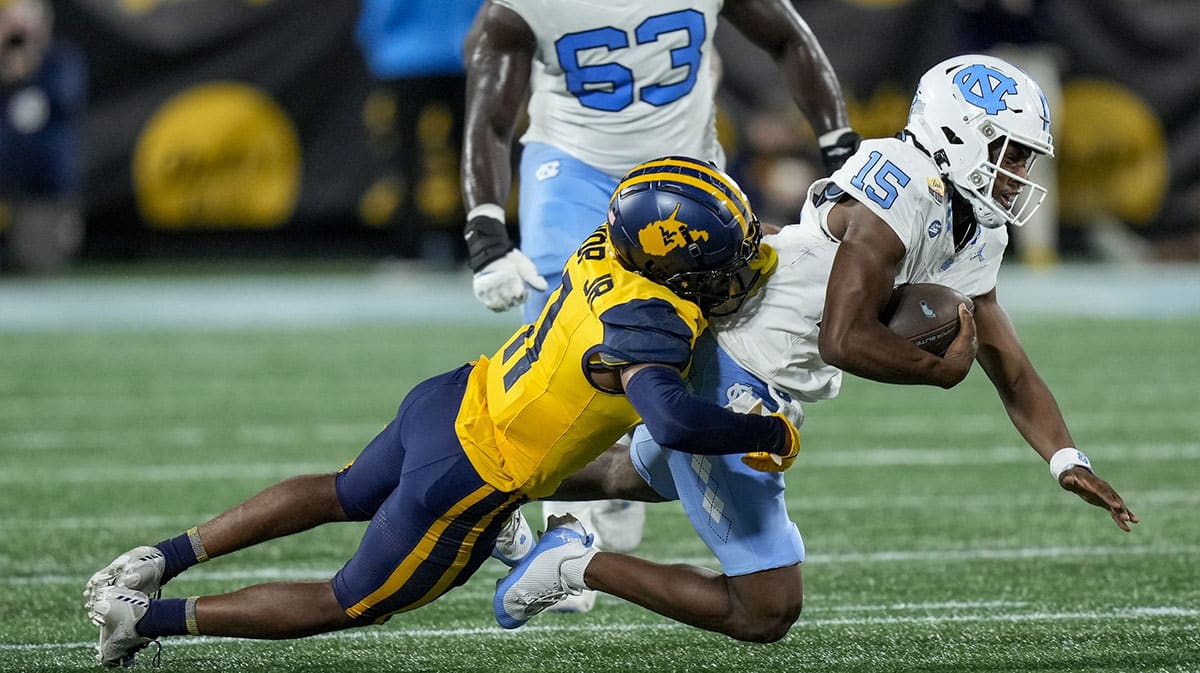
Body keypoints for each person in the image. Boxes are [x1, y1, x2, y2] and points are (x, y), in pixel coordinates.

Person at [492, 54, 1139, 642]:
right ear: (959, 132)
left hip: (765, 365)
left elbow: (1012, 367)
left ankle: (489, 490)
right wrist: (935, 370)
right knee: (766, 607)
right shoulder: (902, 185)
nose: (1019, 173)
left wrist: (1065, 458)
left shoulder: (976, 226)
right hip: (744, 360)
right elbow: (842, 336)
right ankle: (573, 564)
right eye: (1011, 151)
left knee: (636, 472)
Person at [81, 157, 799, 667]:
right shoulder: (652, 319)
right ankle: (149, 617)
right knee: (348, 600)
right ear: (667, 262)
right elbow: (670, 421)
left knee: (342, 489)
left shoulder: (604, 244)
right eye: (714, 266)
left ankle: (160, 558)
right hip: (467, 480)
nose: (728, 277)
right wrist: (766, 428)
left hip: (453, 398)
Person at [460, 0, 858, 592]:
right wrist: (485, 225)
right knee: (562, 340)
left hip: (686, 175)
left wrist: (839, 143)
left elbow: (789, 40)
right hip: (572, 165)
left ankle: (630, 466)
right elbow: (491, 114)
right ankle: (554, 522)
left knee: (705, 335)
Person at [0, 0, 86, 274]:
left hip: (43, 191)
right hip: (7, 182)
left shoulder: (60, 60)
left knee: (37, 266)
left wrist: (29, 69)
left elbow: (64, 98)